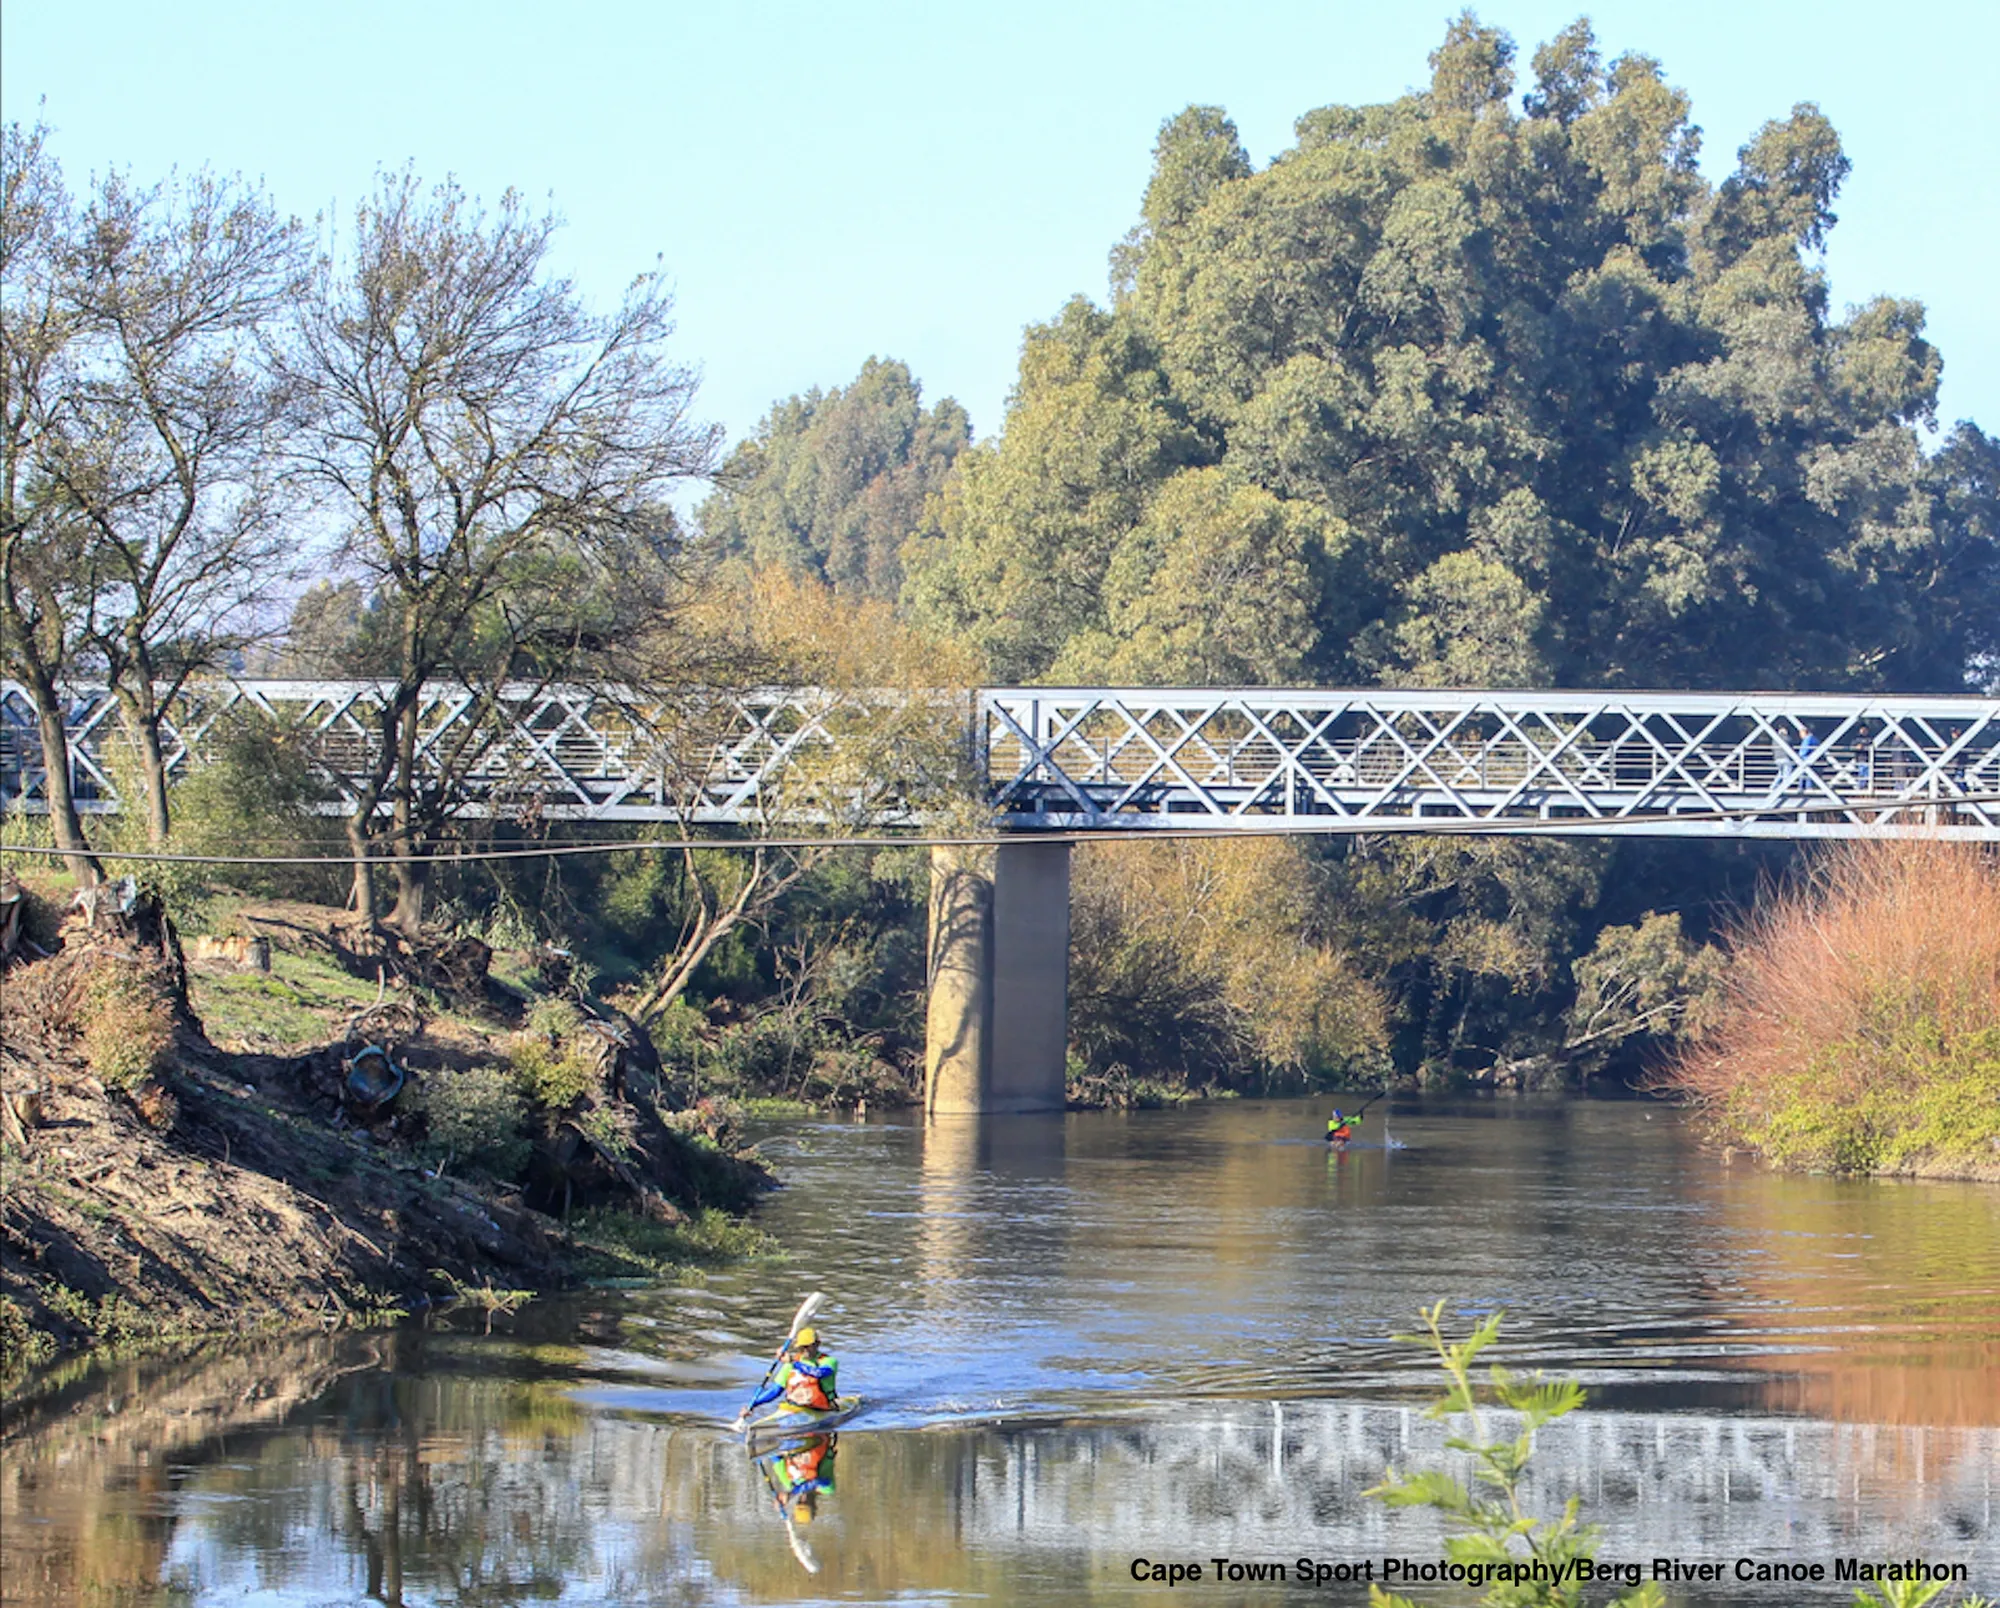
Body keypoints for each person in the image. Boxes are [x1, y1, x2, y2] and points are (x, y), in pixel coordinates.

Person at [746, 1326, 840, 1415]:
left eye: (808, 1346)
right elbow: (775, 1390)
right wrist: (753, 1404)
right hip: (795, 1407)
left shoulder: (828, 1361)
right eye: (802, 1347)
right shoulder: (790, 1365)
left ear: (817, 1344)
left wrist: (793, 1362)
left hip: (823, 1408)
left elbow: (818, 1373)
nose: (805, 1350)